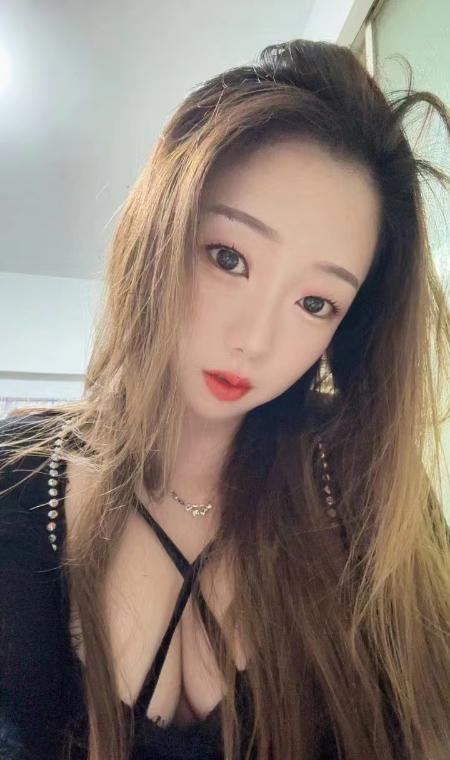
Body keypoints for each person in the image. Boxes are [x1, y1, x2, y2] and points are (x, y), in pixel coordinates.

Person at [0, 37, 449, 760]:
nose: (255, 340)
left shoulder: (360, 481)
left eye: (315, 302)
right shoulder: (17, 480)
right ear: (161, 231)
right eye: (229, 258)